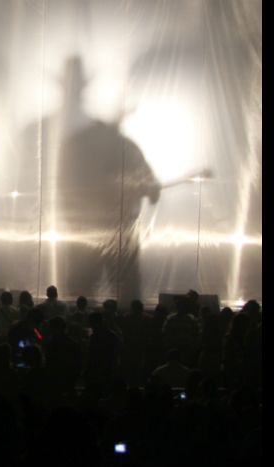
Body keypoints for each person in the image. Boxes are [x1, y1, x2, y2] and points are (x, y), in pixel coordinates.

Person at [55, 56, 161, 304]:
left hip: (93, 231)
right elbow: (151, 187)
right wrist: (148, 188)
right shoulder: (122, 148)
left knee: (82, 291)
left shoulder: (81, 145)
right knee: (117, 291)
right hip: (108, 231)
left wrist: (148, 187)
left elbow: (150, 185)